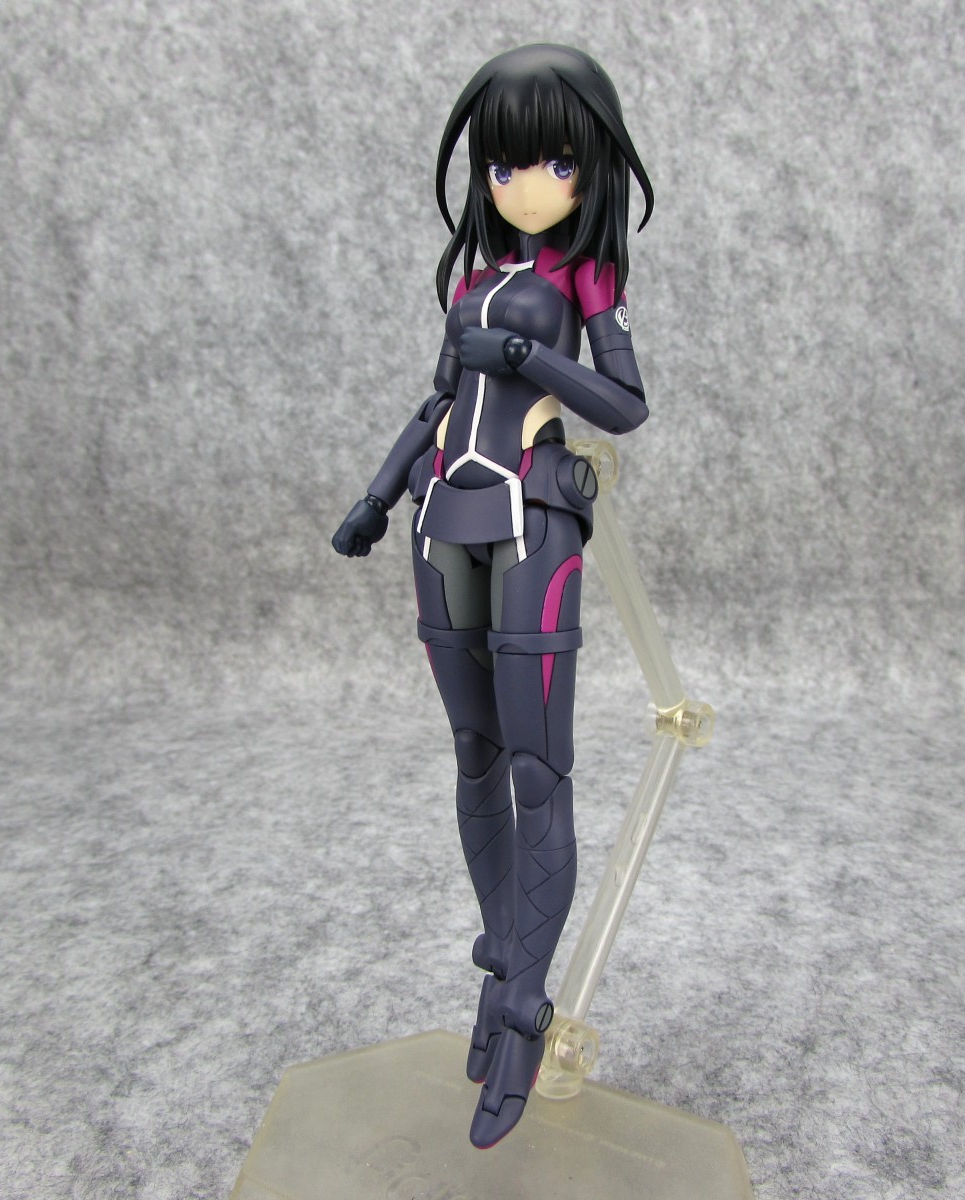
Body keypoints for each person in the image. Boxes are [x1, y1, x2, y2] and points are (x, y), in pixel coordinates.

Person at [331, 42, 655, 1149]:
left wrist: (530, 355)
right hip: (443, 519)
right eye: (504, 166)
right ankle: (500, 958)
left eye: (554, 164)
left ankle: (527, 1001)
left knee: (536, 769)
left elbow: (624, 404)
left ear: (590, 168)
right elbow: (435, 408)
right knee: (474, 755)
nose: (525, 186)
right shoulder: (471, 281)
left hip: (533, 520)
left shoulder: (583, 279)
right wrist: (378, 496)